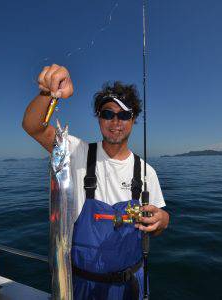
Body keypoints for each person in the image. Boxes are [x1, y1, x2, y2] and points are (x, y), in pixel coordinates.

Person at [22, 64, 169, 299]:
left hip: (130, 286)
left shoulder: (146, 172)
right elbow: (33, 126)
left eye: (124, 115)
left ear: (133, 120)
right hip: (81, 285)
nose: (115, 121)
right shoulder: (75, 151)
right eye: (108, 114)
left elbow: (161, 223)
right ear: (99, 119)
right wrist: (50, 93)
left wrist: (162, 221)